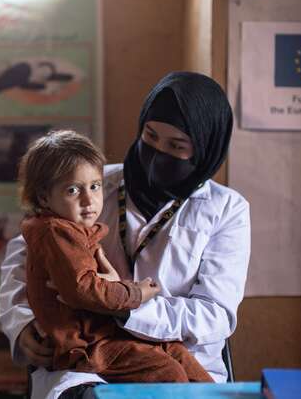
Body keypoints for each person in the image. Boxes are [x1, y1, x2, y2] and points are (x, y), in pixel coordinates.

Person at [0, 72, 251, 399]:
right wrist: (20, 325)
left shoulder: (226, 210)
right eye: (151, 135)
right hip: (87, 354)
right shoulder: (91, 184)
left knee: (175, 379)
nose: (158, 152)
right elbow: (24, 255)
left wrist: (125, 305)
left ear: (205, 149)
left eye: (176, 146)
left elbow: (213, 315)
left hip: (182, 354)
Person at [18, 130, 213, 383]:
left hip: (105, 331)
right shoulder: (56, 231)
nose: (89, 200)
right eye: (73, 190)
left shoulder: (71, 227)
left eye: (95, 186)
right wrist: (134, 293)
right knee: (166, 372)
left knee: (177, 352)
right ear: (44, 197)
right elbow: (83, 287)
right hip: (85, 344)